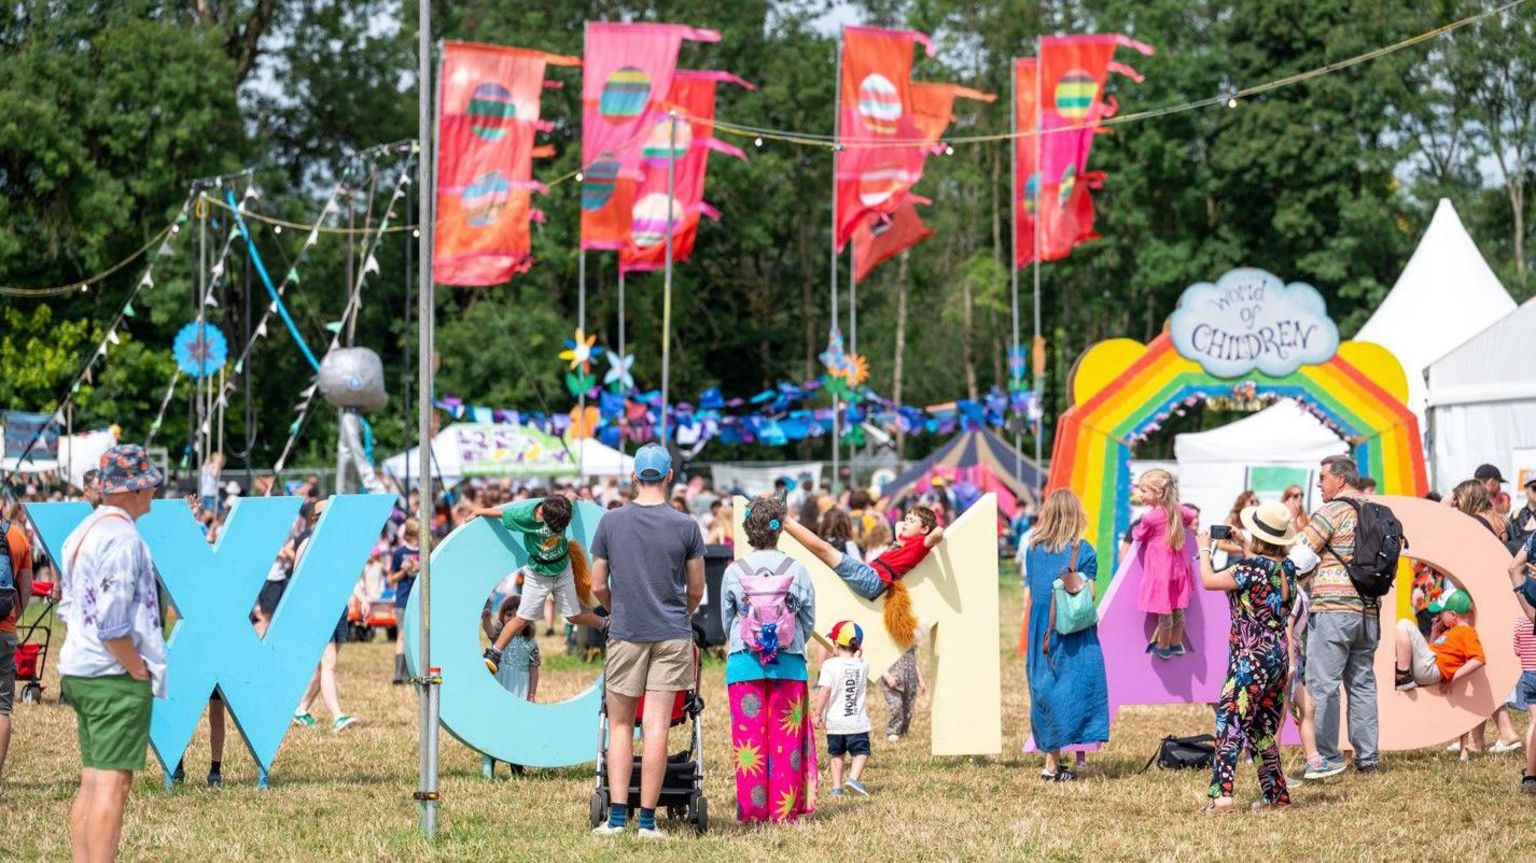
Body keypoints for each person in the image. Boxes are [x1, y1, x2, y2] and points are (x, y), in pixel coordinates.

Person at [58, 445, 168, 862]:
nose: (153, 489)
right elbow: (114, 621)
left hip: (81, 666)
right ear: (132, 490)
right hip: (112, 673)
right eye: (147, 482)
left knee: (93, 780)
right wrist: (137, 668)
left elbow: (71, 608)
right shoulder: (124, 539)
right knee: (112, 786)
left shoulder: (83, 532)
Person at [591, 445, 705, 839]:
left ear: (635, 477)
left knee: (621, 725)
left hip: (626, 631)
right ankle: (648, 822)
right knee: (657, 727)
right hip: (672, 632)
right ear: (670, 476)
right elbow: (696, 588)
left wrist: (613, 608)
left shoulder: (610, 522)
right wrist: (683, 615)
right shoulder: (686, 526)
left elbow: (596, 584)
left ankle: (617, 818)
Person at [719, 494, 817, 822]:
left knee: (749, 743)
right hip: (789, 663)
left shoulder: (735, 571)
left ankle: (751, 810)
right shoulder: (797, 569)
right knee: (786, 741)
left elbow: (727, 620)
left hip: (745, 663)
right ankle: (784, 812)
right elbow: (808, 620)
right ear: (779, 529)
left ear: (748, 528)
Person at [1196, 501, 1298, 813]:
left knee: (1230, 723)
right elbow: (1262, 572)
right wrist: (1245, 546)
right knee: (1261, 730)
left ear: (1257, 536)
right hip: (1277, 656)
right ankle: (1277, 797)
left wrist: (1203, 549)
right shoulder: (1288, 569)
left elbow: (1209, 581)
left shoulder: (1248, 569)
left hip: (1249, 657)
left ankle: (1222, 796)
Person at [1296, 454, 1379, 778]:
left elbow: (1300, 555)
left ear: (1340, 480)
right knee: (1362, 684)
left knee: (1323, 685)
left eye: (1323, 478)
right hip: (1369, 611)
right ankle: (1368, 757)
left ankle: (1327, 757)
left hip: (1333, 609)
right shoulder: (1376, 511)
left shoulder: (1331, 512)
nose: (1319, 484)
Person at [1023, 489, 1109, 781]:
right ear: (1076, 516)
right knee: (1075, 688)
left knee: (1045, 688)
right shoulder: (1083, 550)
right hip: (1072, 630)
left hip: (1041, 629)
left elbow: (1035, 588)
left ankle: (1052, 760)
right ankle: (1051, 764)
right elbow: (1090, 594)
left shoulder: (1032, 548)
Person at [472, 495, 607, 673]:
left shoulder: (561, 509)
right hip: (538, 574)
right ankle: (495, 653)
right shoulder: (525, 516)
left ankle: (605, 624)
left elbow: (569, 497)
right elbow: (501, 513)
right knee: (523, 618)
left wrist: (573, 497)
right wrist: (477, 512)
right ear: (542, 512)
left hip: (562, 568)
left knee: (572, 616)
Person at [782, 505, 942, 647]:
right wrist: (912, 522)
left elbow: (939, 532)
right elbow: (900, 525)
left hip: (872, 578)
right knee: (825, 552)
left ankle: (785, 519)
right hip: (870, 576)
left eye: (912, 521)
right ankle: (786, 521)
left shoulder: (921, 545)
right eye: (907, 518)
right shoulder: (905, 540)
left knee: (826, 549)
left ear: (924, 529)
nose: (905, 522)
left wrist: (930, 515)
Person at [1131, 468, 1196, 659]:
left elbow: (1139, 534)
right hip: (1179, 571)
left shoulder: (1150, 517)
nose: (1140, 495)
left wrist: (1136, 529)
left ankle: (1163, 645)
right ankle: (1177, 643)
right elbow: (1191, 516)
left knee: (1165, 611)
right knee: (1178, 608)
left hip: (1161, 572)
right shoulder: (1178, 510)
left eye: (1144, 491)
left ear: (1158, 493)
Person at [480, 594, 539, 779]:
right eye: (509, 614)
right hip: (500, 679)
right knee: (495, 721)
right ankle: (489, 761)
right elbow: (489, 632)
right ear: (503, 616)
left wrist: (531, 693)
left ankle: (517, 765)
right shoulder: (500, 636)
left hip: (519, 685)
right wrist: (485, 619)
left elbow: (534, 668)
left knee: (517, 724)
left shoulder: (531, 643)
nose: (512, 618)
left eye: (518, 614)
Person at [815, 621, 871, 797]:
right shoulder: (863, 665)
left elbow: (824, 691)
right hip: (857, 722)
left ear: (837, 644)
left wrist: (817, 714)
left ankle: (837, 788)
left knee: (836, 755)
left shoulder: (829, 665)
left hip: (835, 722)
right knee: (861, 752)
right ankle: (853, 779)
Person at [0, 506, 35, 792]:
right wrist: (12, 619)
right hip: (5, 628)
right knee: (2, 708)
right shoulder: (18, 536)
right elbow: (26, 591)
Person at [1394, 590, 1485, 696]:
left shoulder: (1467, 631)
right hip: (1428, 667)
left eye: (1441, 612)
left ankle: (1403, 677)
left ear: (1453, 615)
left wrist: (1454, 677)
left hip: (1431, 669)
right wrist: (1435, 632)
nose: (1439, 615)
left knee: (1404, 624)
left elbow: (1479, 659)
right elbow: (1432, 649)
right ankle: (1402, 674)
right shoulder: (1449, 631)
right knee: (1402, 640)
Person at [387, 518, 422, 684]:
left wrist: (421, 568)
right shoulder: (399, 553)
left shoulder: (425, 553)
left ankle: (411, 672)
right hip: (403, 599)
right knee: (402, 634)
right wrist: (404, 570)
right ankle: (398, 674)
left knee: (416, 636)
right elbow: (391, 579)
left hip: (420, 601)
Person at [881, 645, 924, 742]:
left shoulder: (910, 644)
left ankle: (903, 732)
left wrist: (920, 680)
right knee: (896, 705)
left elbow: (914, 663)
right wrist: (887, 677)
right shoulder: (888, 643)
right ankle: (893, 732)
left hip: (910, 682)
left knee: (908, 710)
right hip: (893, 682)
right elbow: (879, 663)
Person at [1216, 490, 1258, 558]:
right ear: (1243, 502)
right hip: (1235, 561)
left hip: (1252, 560)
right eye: (1252, 502)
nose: (1255, 504)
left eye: (1257, 502)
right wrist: (1245, 547)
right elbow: (1221, 545)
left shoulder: (1255, 521)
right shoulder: (1231, 519)